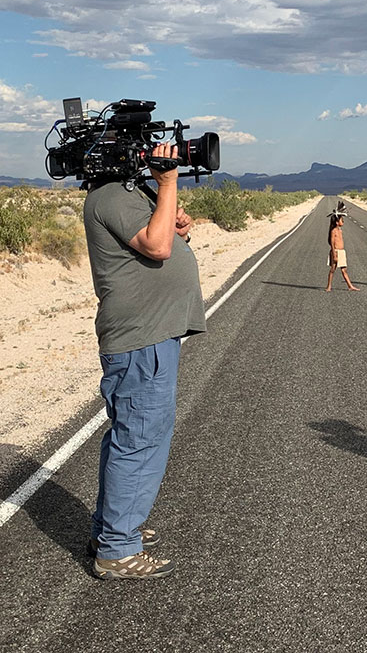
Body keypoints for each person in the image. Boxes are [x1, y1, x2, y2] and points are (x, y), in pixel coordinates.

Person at [83, 141, 206, 580]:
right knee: (140, 437)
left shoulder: (127, 194)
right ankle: (117, 549)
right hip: (141, 338)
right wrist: (168, 181)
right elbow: (156, 248)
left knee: (131, 433)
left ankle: (110, 528)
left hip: (148, 335)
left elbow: (160, 238)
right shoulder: (113, 195)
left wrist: (177, 223)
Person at [326, 204, 358, 292]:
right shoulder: (334, 231)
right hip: (336, 252)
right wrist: (334, 254)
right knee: (332, 269)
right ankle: (329, 286)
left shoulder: (340, 230)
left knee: (344, 270)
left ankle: (350, 286)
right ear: (337, 222)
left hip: (341, 252)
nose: (342, 222)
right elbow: (332, 243)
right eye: (341, 220)